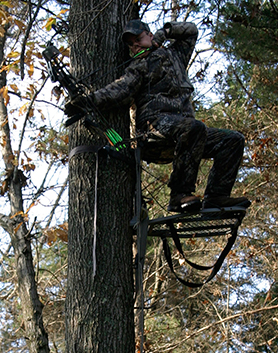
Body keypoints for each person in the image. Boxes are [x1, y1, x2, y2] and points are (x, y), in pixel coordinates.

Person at [69, 19, 249, 214]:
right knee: (193, 127)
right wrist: (88, 101)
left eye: (138, 39)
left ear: (150, 35)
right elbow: (119, 90)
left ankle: (216, 197)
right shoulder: (139, 67)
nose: (135, 45)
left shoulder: (175, 55)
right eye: (131, 44)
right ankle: (179, 196)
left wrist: (165, 32)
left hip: (186, 135)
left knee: (232, 140)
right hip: (153, 130)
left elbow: (191, 31)